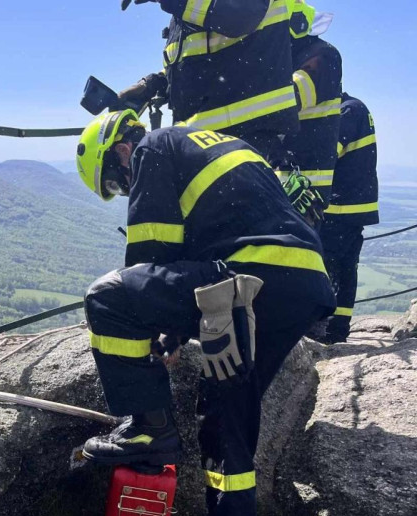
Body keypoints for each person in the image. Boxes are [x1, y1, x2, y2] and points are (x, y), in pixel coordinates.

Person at [73, 109, 335, 516]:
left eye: (115, 181)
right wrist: (175, 331)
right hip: (299, 285)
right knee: (225, 415)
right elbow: (203, 246)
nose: (124, 190)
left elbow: (151, 256)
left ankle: (148, 429)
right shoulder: (215, 144)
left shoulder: (152, 147)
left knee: (107, 298)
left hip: (245, 276)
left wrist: (152, 327)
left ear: (121, 149)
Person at [119, 0, 298, 156]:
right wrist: (152, 83)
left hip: (247, 137)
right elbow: (195, 63)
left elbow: (240, 16)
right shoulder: (184, 13)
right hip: (204, 143)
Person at [318, 93, 380, 343]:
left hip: (339, 207)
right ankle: (338, 327)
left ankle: (324, 327)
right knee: (346, 268)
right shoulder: (356, 108)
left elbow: (325, 155)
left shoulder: (346, 111)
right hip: (353, 207)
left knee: (328, 265)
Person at [275, 1, 342, 207]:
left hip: (305, 186)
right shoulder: (289, 59)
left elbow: (288, 99)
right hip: (283, 180)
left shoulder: (323, 56)